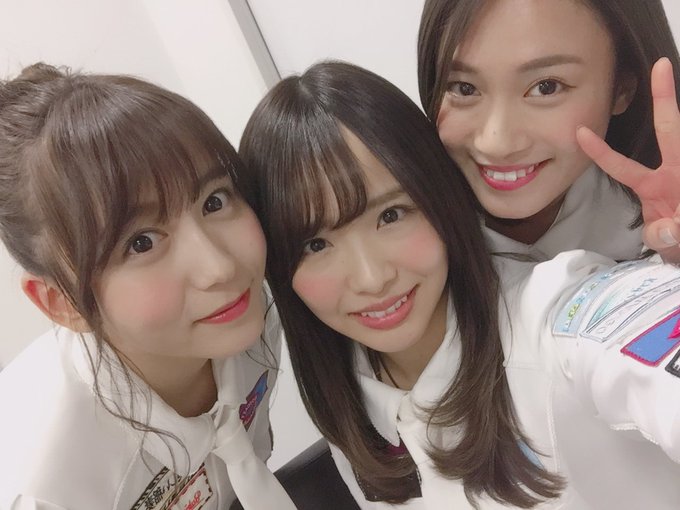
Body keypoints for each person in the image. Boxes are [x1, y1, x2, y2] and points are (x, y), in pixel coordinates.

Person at [239, 61, 680, 509]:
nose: (372, 278)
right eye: (315, 244)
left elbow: (632, 333)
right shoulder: (350, 390)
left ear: (439, 197)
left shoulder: (550, 313)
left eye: (391, 215)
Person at [0, 63, 295, 510]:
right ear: (62, 302)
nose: (220, 267)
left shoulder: (243, 314)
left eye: (214, 201)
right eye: (141, 243)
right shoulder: (49, 488)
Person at [417, 0, 680, 261]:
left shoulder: (652, 216)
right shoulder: (408, 237)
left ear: (622, 89)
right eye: (464, 88)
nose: (497, 143)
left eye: (546, 87)